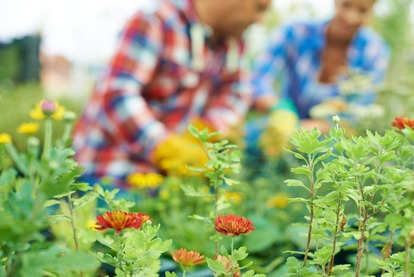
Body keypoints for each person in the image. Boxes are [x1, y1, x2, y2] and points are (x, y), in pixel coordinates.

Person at [73, 0, 271, 186]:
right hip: (111, 174)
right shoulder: (156, 21)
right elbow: (118, 94)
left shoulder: (234, 43)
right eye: (259, 7)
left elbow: (238, 94)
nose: (259, 19)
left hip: (169, 181)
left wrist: (205, 130)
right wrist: (163, 147)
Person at [251, 0, 390, 145]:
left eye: (362, 11)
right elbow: (258, 78)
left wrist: (318, 127)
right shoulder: (297, 32)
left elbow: (359, 110)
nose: (351, 18)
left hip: (331, 136)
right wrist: (278, 107)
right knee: (254, 136)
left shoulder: (374, 51)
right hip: (284, 128)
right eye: (346, 5)